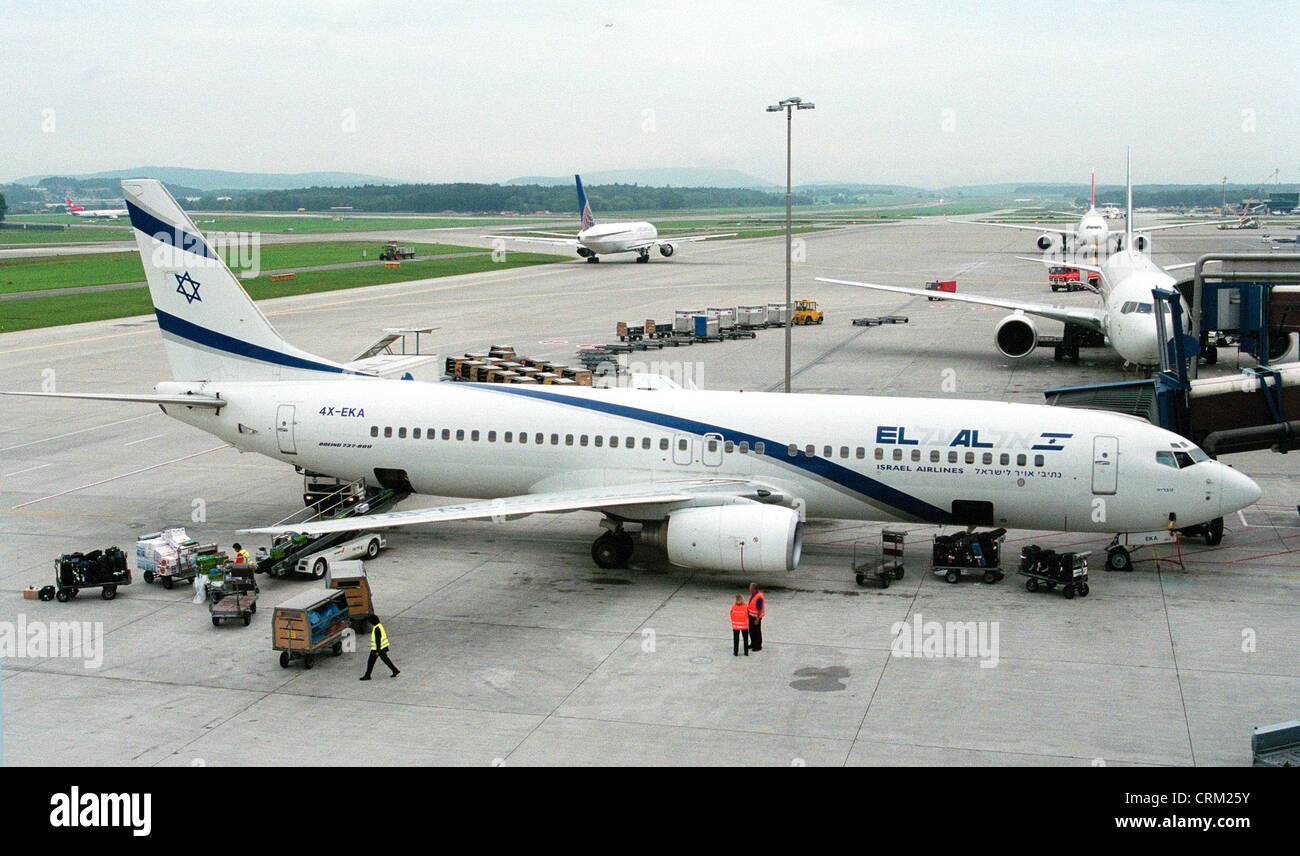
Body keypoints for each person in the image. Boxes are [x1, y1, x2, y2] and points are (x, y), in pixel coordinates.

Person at [360, 614, 400, 680]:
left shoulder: (377, 629)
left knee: (371, 661)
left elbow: (378, 641)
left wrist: (377, 651)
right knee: (385, 660)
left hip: (377, 649)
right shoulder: (379, 626)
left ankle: (367, 675)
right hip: (382, 647)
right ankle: (395, 670)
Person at [747, 583, 765, 652]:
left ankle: (758, 646)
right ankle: (753, 643)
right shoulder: (753, 594)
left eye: (750, 587)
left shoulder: (759, 597)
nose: (749, 589)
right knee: (751, 631)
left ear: (753, 589)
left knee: (757, 631)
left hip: (756, 617)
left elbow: (760, 609)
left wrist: (757, 619)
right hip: (751, 615)